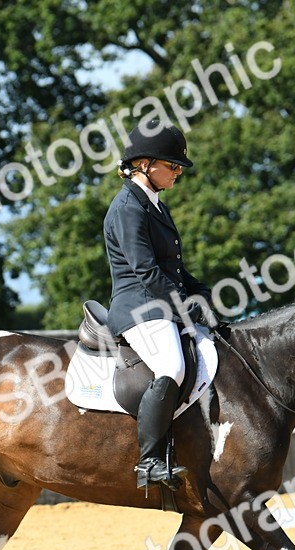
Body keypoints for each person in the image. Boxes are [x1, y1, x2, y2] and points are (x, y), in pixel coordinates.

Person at [103, 118, 213, 490]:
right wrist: (184, 303)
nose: (178, 172)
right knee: (172, 366)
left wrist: (201, 292)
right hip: (139, 307)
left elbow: (174, 268)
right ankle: (149, 462)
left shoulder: (154, 205)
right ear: (146, 164)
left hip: (160, 303)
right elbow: (147, 271)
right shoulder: (128, 208)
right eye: (173, 165)